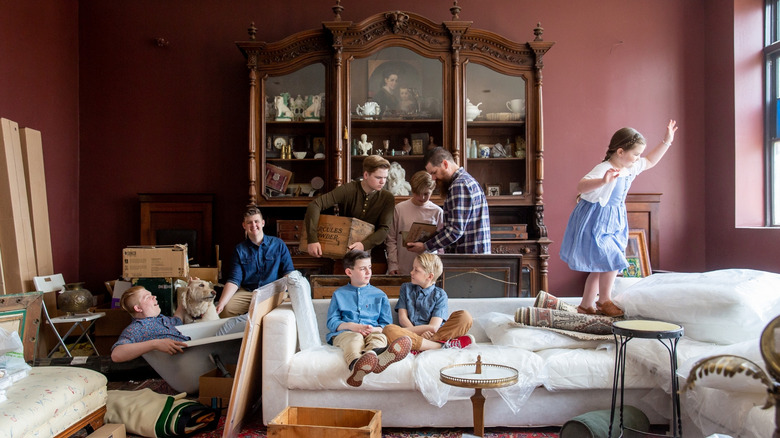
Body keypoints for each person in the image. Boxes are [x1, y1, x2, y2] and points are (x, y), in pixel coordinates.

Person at [560, 120, 678, 317]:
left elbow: (650, 161)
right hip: (597, 220)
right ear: (620, 152)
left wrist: (667, 141)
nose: (638, 158)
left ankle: (586, 305)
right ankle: (604, 300)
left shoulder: (629, 167)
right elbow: (581, 186)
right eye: (635, 154)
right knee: (613, 259)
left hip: (615, 219)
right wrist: (603, 180)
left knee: (600, 266)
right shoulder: (604, 168)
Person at [326, 250, 412, 387]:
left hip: (373, 330)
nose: (368, 272)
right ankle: (356, 365)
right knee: (355, 339)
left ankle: (374, 357)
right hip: (347, 333)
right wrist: (352, 326)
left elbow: (386, 324)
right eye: (362, 268)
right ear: (349, 272)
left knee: (379, 338)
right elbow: (332, 322)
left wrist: (375, 329)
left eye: (370, 267)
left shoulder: (380, 295)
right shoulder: (339, 294)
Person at [304, 155, 394, 257]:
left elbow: (384, 229)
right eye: (378, 177)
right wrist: (312, 240)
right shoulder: (348, 190)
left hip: (375, 253)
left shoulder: (388, 198)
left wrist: (363, 245)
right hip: (344, 251)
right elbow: (315, 205)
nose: (383, 182)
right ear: (366, 175)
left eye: (385, 177)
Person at [383, 253, 474, 352]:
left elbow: (434, 327)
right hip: (411, 332)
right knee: (389, 330)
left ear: (429, 276)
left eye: (416, 270)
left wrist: (426, 334)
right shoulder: (406, 288)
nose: (411, 272)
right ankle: (440, 345)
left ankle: (419, 345)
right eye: (413, 268)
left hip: (434, 334)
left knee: (465, 317)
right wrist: (416, 334)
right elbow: (402, 319)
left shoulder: (440, 295)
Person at [407, 147, 491, 254]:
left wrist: (425, 246)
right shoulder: (467, 180)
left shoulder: (459, 185)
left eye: (434, 172)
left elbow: (454, 231)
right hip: (475, 257)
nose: (433, 178)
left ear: (445, 164)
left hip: (467, 259)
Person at [216, 206, 294, 317]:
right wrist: (221, 303)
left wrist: (285, 292)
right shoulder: (239, 249)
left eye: (256, 221)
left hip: (273, 291)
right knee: (226, 310)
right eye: (249, 223)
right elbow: (234, 280)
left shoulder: (278, 244)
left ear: (262, 223)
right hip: (248, 292)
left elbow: (288, 272)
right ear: (244, 226)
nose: (253, 225)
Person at [111, 286, 190, 362]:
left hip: (190, 354)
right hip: (180, 362)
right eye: (148, 297)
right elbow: (116, 355)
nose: (154, 297)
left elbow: (178, 318)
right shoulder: (137, 328)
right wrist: (155, 344)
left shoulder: (161, 319)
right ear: (138, 308)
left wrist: (188, 290)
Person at [386, 171, 443, 275]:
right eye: (418, 193)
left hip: (428, 271)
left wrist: (438, 269)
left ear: (433, 189)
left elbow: (441, 245)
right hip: (403, 268)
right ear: (412, 190)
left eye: (426, 194)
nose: (422, 198)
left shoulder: (437, 212)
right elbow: (391, 240)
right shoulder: (399, 209)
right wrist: (393, 265)